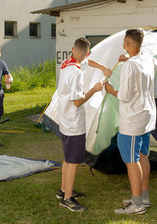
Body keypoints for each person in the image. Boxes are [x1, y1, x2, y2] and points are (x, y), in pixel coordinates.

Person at [105, 28, 157, 215]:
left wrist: (110, 89)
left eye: (124, 41)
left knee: (131, 161)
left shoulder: (130, 65)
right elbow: (140, 69)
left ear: (127, 43)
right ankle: (144, 197)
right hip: (146, 116)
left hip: (133, 120)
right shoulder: (147, 58)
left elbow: (125, 96)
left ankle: (137, 205)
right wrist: (127, 60)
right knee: (143, 156)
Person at [57, 37, 111, 212]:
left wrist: (102, 68)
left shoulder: (67, 63)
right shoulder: (77, 72)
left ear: (73, 49)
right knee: (73, 162)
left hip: (65, 119)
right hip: (74, 122)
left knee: (67, 158)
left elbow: (88, 61)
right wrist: (95, 89)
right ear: (86, 52)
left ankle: (64, 190)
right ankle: (67, 199)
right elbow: (78, 101)